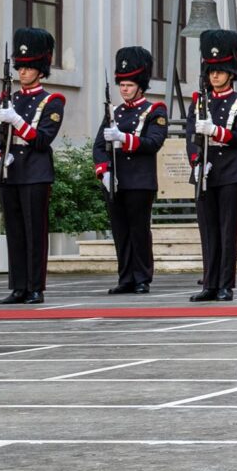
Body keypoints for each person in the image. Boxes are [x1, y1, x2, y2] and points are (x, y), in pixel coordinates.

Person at [0, 27, 65, 306]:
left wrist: (17, 122)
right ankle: (18, 286)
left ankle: (35, 287)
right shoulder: (8, 99)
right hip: (10, 171)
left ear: (40, 69)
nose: (23, 72)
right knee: (15, 230)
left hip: (35, 171)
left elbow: (43, 139)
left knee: (34, 231)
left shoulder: (52, 101)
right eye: (20, 67)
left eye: (29, 67)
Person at [187, 29, 237, 303]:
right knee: (208, 230)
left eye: (220, 70)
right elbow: (190, 139)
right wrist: (196, 162)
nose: (215, 75)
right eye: (211, 71)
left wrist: (215, 132)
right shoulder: (199, 101)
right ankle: (209, 282)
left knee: (228, 230)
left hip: (231, 170)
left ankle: (225, 284)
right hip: (205, 171)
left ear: (230, 72)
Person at [95, 46, 167, 295]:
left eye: (128, 85)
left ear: (140, 85)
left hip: (139, 180)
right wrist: (103, 170)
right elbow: (98, 146)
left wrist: (124, 138)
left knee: (138, 229)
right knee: (120, 230)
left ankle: (142, 277)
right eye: (122, 85)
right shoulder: (114, 112)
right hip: (116, 179)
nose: (124, 89)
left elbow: (153, 142)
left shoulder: (154, 110)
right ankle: (125, 276)